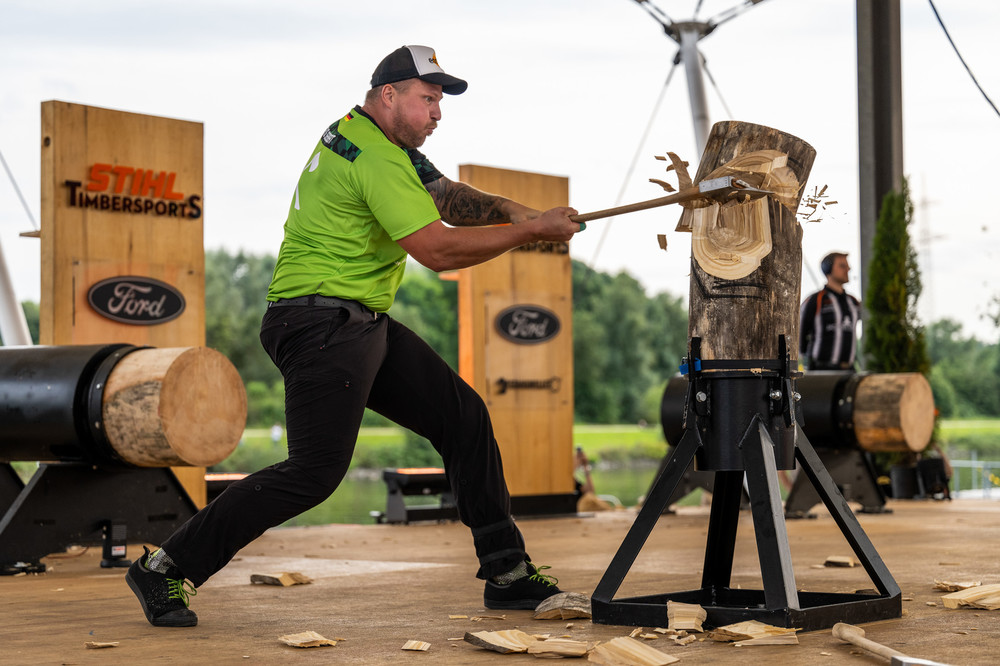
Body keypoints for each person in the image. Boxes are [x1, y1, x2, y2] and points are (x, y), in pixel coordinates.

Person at [125, 45, 583, 628]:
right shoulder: (375, 157)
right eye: (427, 99)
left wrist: (521, 213)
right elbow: (437, 249)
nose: (437, 113)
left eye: (440, 102)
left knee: (463, 417)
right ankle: (165, 567)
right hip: (317, 320)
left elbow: (448, 196)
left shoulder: (373, 139)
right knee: (315, 472)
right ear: (388, 94)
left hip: (355, 319)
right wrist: (532, 233)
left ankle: (508, 574)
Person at [799, 251, 861, 371]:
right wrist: (805, 360)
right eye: (842, 266)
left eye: (847, 266)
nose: (848, 269)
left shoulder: (853, 301)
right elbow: (800, 332)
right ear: (828, 269)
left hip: (849, 370)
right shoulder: (815, 300)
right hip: (821, 371)